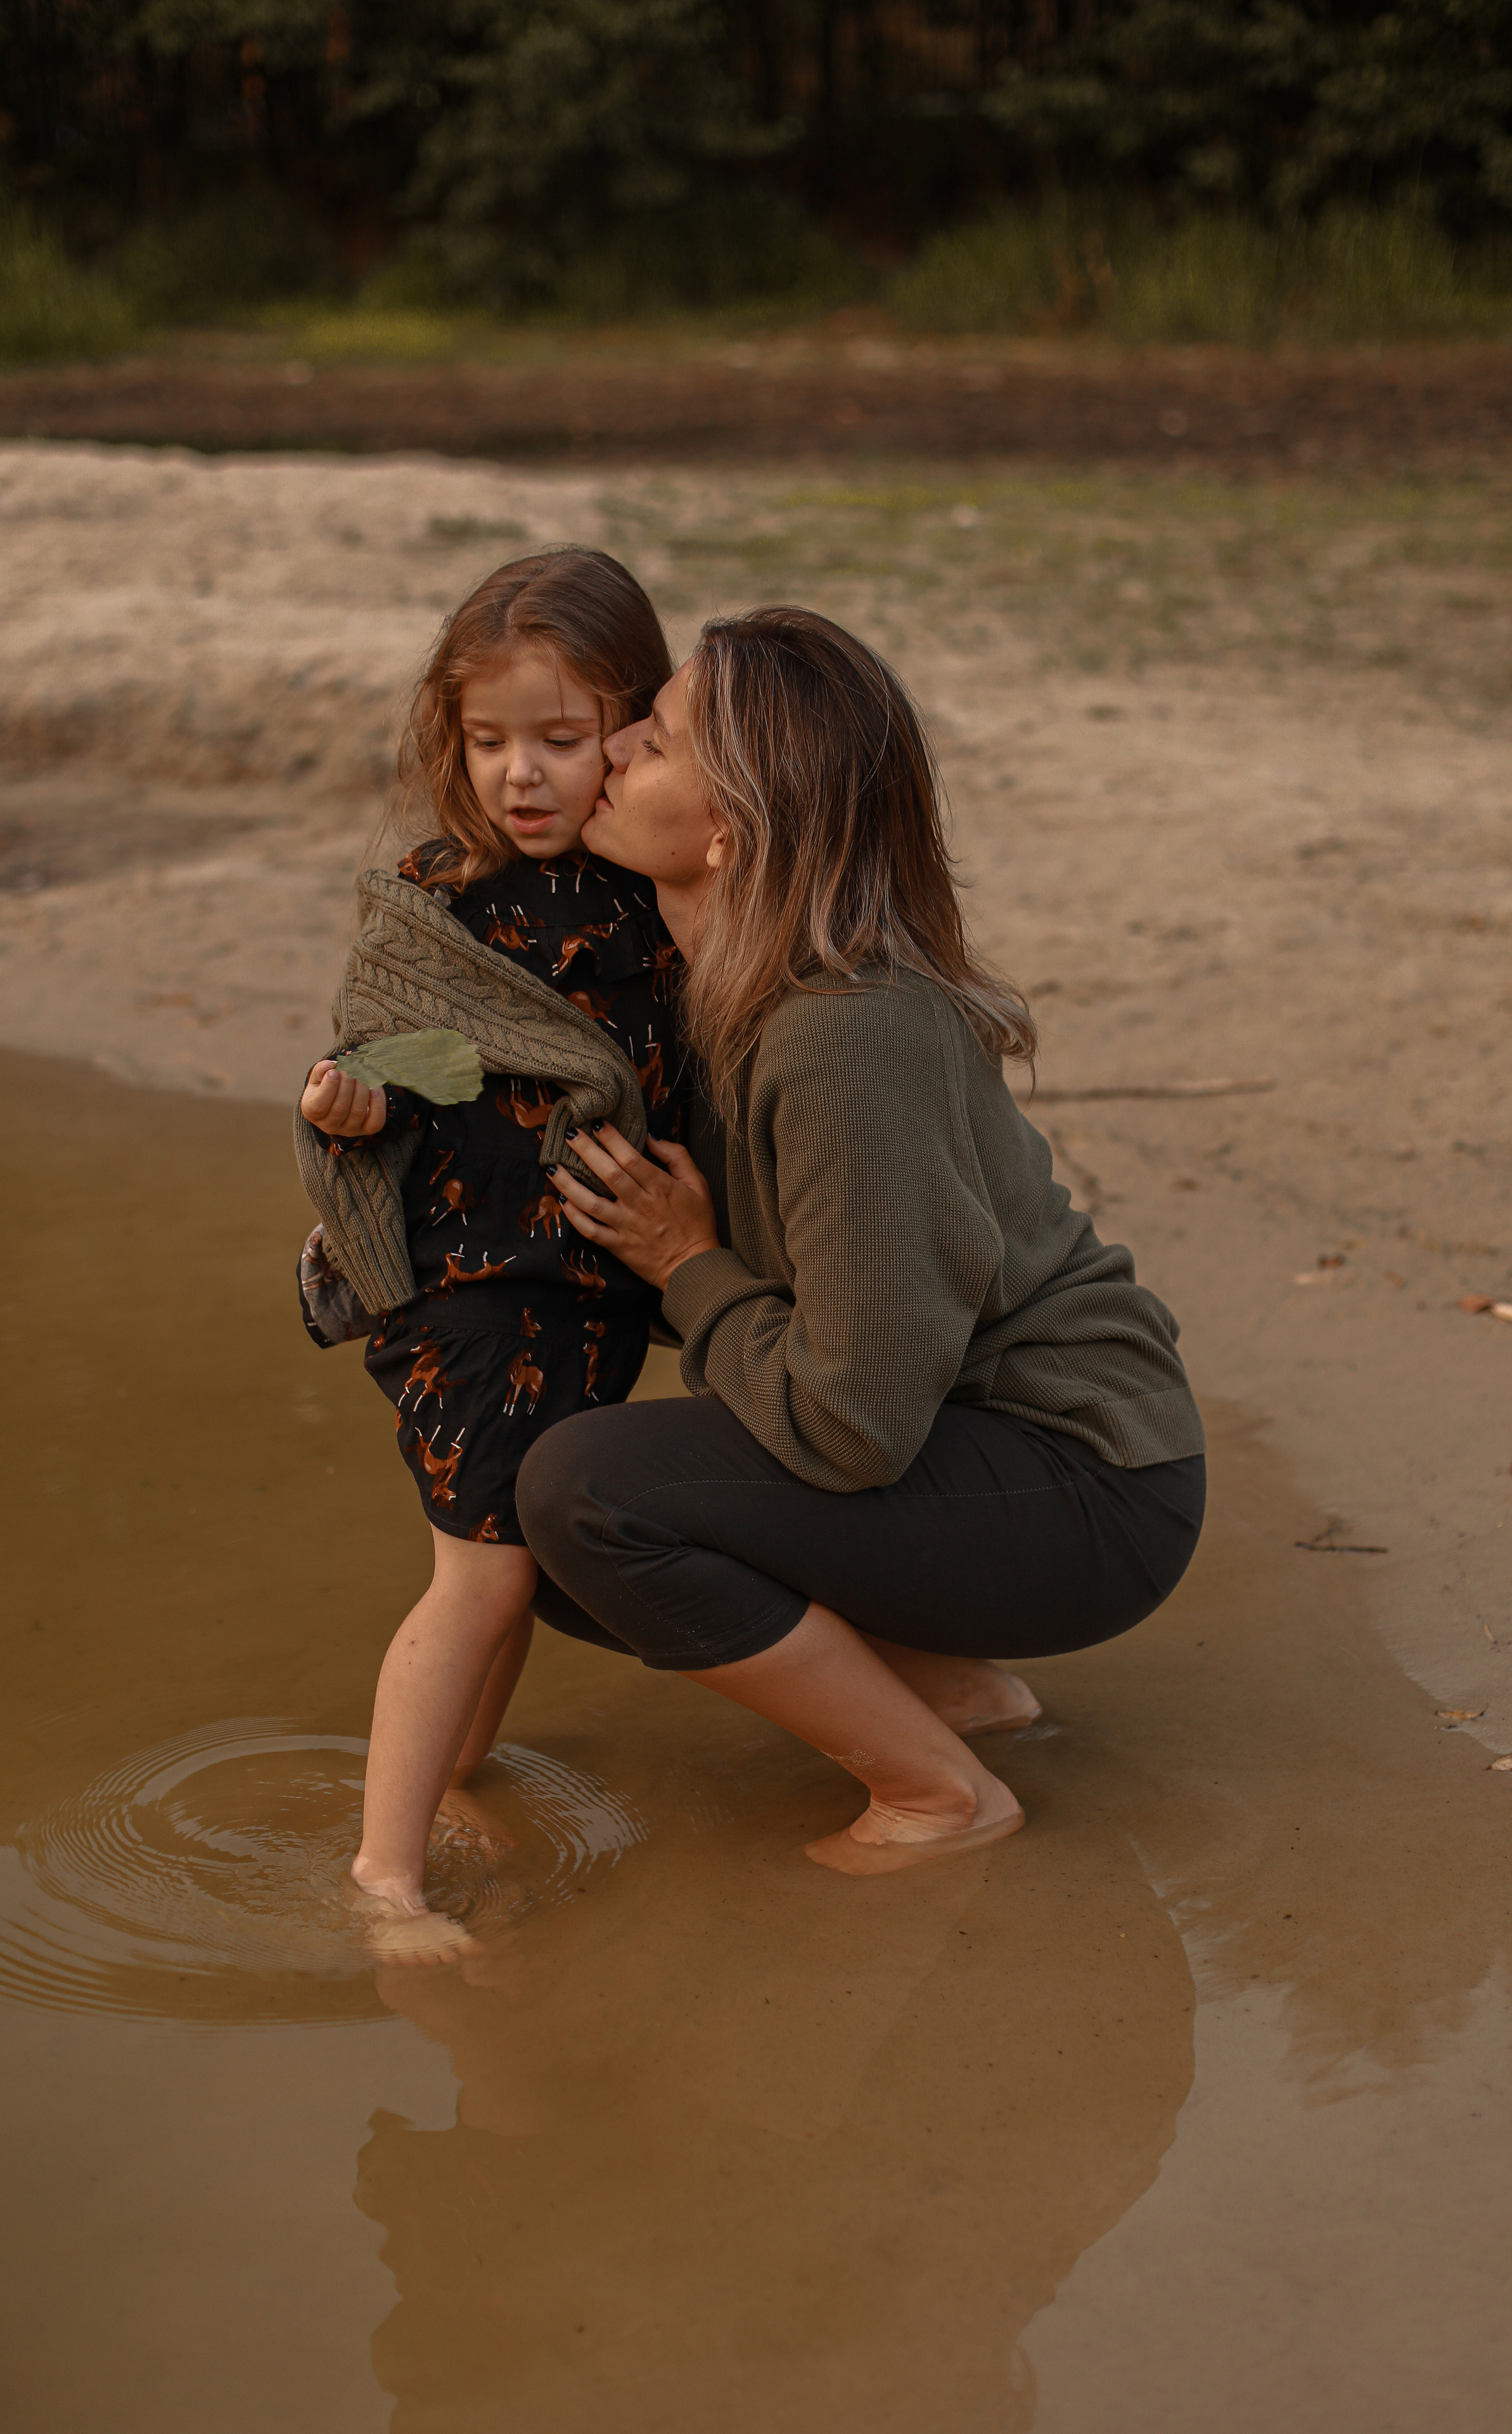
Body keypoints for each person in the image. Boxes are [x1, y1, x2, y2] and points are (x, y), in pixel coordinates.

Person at [515, 606, 1208, 1877]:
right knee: (535, 1517)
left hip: (1090, 1481)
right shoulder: (720, 993)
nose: (607, 749)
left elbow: (853, 1424)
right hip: (965, 1438)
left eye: (651, 743)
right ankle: (952, 1697)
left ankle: (941, 1796)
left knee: (587, 1496)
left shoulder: (846, 1033)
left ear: (730, 833)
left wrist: (689, 1267)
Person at [294, 549, 681, 1943]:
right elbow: (389, 1062)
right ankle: (385, 1877)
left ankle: (454, 1773)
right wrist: (349, 1103)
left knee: (511, 1552)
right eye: (488, 741)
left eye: (562, 740)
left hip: (588, 1293)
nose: (522, 774)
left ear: (633, 729)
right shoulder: (438, 900)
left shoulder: (651, 890)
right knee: (483, 1569)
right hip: (465, 1292)